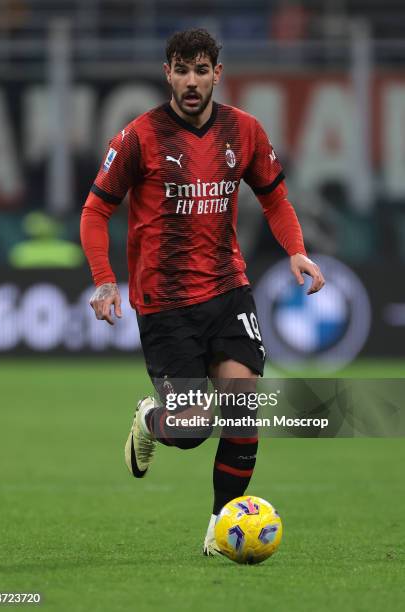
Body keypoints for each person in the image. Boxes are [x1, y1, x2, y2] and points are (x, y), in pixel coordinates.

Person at [80, 28, 325, 556]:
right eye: (181, 69)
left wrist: (296, 249)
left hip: (227, 289)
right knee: (191, 430)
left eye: (201, 70)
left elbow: (275, 198)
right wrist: (103, 279)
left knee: (241, 406)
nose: (191, 81)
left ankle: (219, 530)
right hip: (165, 304)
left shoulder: (246, 131)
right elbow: (96, 210)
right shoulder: (138, 138)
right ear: (168, 73)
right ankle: (150, 420)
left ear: (218, 73)